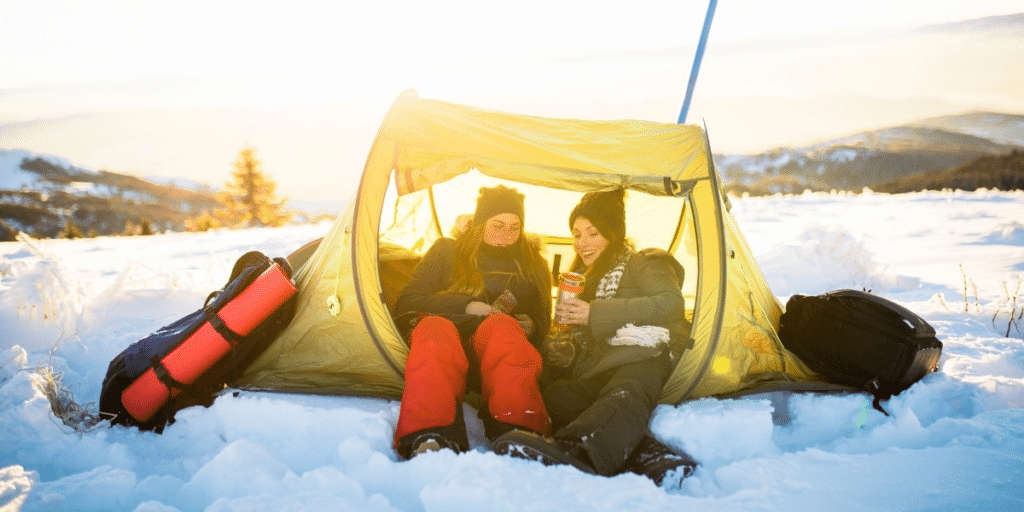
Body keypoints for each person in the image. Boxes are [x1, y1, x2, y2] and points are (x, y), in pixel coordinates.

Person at [493, 188, 699, 486]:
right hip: (600, 370)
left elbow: (671, 305)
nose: (582, 243)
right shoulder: (587, 280)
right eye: (577, 234)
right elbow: (590, 343)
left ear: (613, 233)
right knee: (554, 400)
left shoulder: (647, 262)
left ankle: (579, 451)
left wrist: (594, 313)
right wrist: (569, 353)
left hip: (645, 356)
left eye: (593, 233)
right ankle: (654, 458)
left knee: (623, 392)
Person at [391, 185, 553, 459]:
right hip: (440, 349)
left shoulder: (531, 264)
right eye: (498, 225)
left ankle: (521, 429)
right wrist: (466, 306)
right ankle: (430, 433)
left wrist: (532, 325)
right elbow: (408, 300)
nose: (506, 235)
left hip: (493, 359)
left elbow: (543, 321)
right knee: (435, 328)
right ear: (480, 223)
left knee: (502, 327)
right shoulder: (447, 251)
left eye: (515, 227)